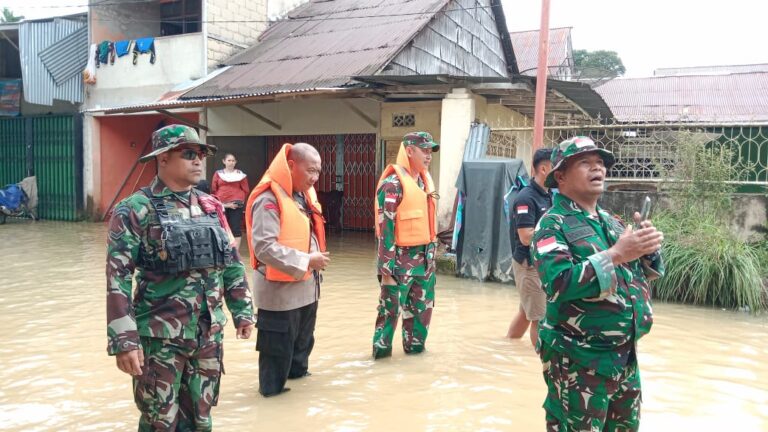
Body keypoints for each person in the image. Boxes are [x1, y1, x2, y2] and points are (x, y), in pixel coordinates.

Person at [106, 124, 255, 431]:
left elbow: (231, 262)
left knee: (202, 418)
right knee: (159, 420)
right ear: (162, 159)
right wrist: (124, 340)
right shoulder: (135, 209)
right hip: (160, 339)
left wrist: (242, 311)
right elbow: (117, 277)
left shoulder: (211, 206)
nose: (198, 160)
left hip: (208, 335)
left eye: (201, 154)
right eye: (188, 154)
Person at [531, 136, 665, 431]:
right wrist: (616, 254)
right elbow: (558, 283)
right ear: (561, 176)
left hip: (624, 357)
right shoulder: (553, 224)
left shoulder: (612, 222)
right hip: (578, 361)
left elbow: (642, 275)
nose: (598, 169)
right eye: (585, 163)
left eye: (601, 163)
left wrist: (648, 249)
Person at [245, 142, 330, 397]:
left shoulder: (303, 196)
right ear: (291, 166)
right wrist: (306, 261)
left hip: (307, 292)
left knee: (301, 354)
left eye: (318, 172)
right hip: (279, 297)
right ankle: (272, 409)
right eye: (310, 171)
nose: (315, 178)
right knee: (275, 361)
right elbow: (264, 247)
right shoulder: (268, 198)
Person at [372, 131, 439, 359]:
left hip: (425, 263)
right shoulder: (392, 185)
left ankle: (415, 361)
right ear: (409, 151)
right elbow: (385, 231)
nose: (429, 156)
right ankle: (380, 364)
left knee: (421, 318)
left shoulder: (425, 181)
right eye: (425, 150)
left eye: (431, 151)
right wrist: (386, 272)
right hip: (399, 265)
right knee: (389, 316)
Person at [506, 148, 553, 347]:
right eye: (556, 167)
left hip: (540, 262)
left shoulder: (547, 194)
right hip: (529, 265)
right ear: (543, 169)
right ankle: (540, 361)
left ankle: (509, 345)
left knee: (527, 312)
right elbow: (526, 237)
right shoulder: (526, 198)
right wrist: (556, 233)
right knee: (539, 318)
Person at [212, 153, 250, 249]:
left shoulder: (240, 175)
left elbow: (246, 189)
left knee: (235, 228)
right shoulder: (218, 174)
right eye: (229, 160)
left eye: (233, 160)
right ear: (224, 161)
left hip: (236, 204)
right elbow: (213, 189)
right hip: (221, 204)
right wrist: (222, 203)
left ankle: (235, 253)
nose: (231, 162)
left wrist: (239, 201)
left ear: (235, 162)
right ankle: (224, 250)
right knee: (222, 227)